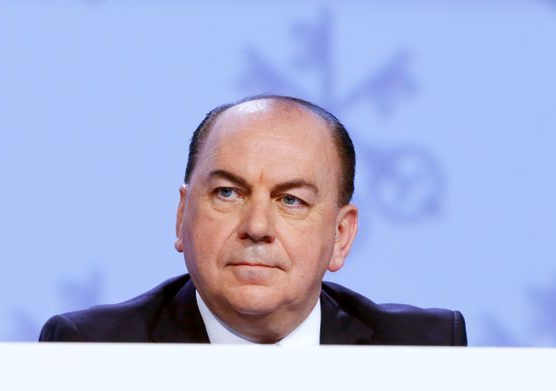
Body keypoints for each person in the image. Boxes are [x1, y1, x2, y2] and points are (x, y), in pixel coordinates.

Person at [39, 95, 467, 345]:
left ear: (341, 235)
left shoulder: (421, 349)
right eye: (228, 193)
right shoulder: (93, 350)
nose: (257, 226)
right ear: (181, 216)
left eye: (292, 200)